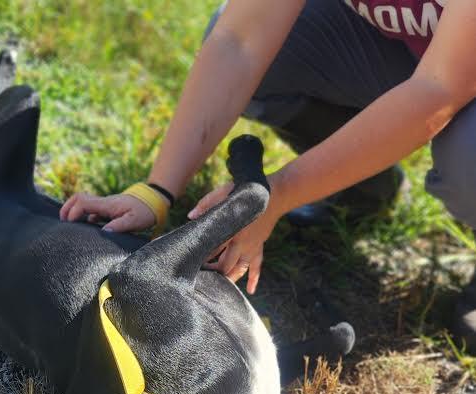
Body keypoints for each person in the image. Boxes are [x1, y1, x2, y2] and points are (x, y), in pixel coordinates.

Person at [59, 0, 476, 349]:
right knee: (261, 43)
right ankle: (360, 183)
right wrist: (156, 190)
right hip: (413, 51)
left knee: (468, 157)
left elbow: (436, 93)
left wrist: (279, 193)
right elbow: (239, 41)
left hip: (454, 76)